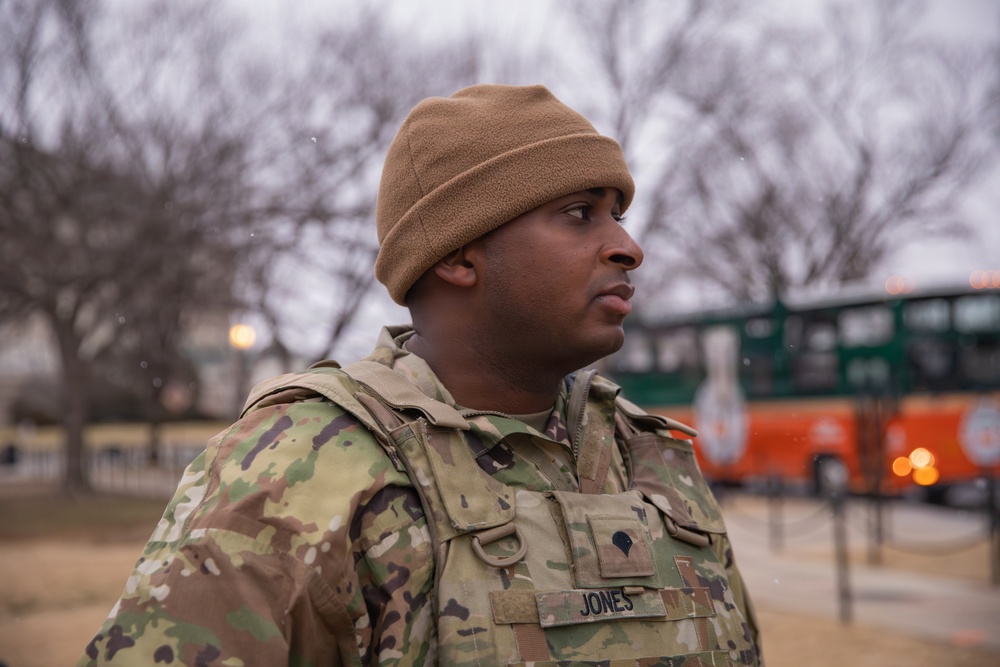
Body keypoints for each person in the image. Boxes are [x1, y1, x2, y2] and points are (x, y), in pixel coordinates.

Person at [79, 84, 762, 666]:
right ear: (459, 257)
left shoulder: (651, 457)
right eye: (580, 214)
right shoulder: (299, 468)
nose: (628, 247)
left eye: (619, 215)